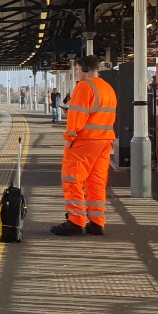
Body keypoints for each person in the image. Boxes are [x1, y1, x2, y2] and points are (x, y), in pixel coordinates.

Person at [50, 55, 117, 236]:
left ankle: (76, 221)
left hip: (85, 142)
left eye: (78, 70)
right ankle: (97, 222)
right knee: (96, 182)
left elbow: (76, 117)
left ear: (86, 69)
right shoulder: (108, 88)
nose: (77, 73)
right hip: (105, 142)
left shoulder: (84, 87)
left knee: (72, 179)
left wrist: (69, 138)